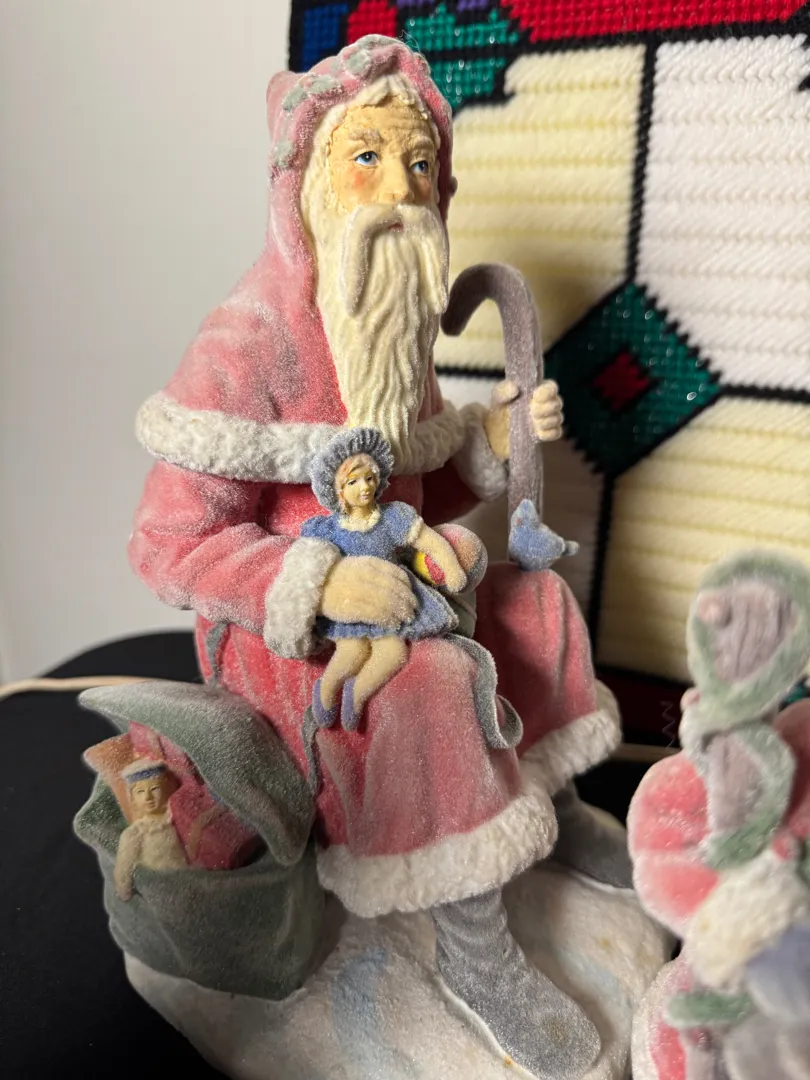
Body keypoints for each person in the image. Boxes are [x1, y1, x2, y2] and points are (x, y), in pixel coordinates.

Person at [129, 36, 622, 1077]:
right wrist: (315, 580)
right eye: (368, 157)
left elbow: (420, 495)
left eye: (419, 163)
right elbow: (169, 545)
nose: (400, 189)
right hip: (281, 635)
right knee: (427, 684)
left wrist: (490, 446)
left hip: (403, 587)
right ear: (307, 182)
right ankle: (474, 948)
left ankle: (554, 802)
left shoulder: (393, 317)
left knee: (538, 604)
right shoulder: (245, 344)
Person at [303, 427, 467, 728]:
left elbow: (430, 542)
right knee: (351, 651)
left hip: (391, 598)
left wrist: (452, 569)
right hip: (353, 602)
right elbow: (310, 564)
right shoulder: (329, 529)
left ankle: (356, 695)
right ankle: (327, 688)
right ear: (339, 490)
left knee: (393, 653)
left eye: (369, 478)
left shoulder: (393, 517)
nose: (364, 487)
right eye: (353, 482)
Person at [114, 759, 188, 902]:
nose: (148, 797)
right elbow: (123, 871)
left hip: (187, 883)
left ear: (167, 789)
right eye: (140, 792)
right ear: (132, 798)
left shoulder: (178, 819)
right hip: (161, 891)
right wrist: (125, 892)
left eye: (154, 789)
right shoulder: (135, 833)